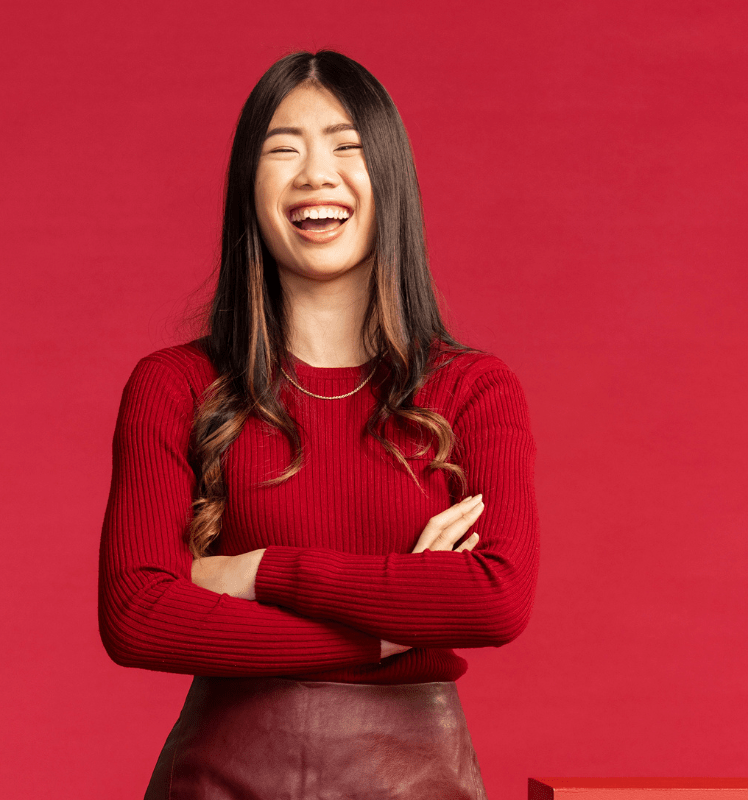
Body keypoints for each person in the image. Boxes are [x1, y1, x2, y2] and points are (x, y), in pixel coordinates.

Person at [97, 49, 539, 799]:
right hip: (221, 777)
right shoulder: (176, 385)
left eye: (346, 146)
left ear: (389, 181)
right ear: (250, 187)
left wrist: (258, 571)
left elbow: (494, 597)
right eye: (283, 150)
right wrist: (393, 630)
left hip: (416, 781)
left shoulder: (472, 389)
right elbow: (138, 614)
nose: (315, 175)